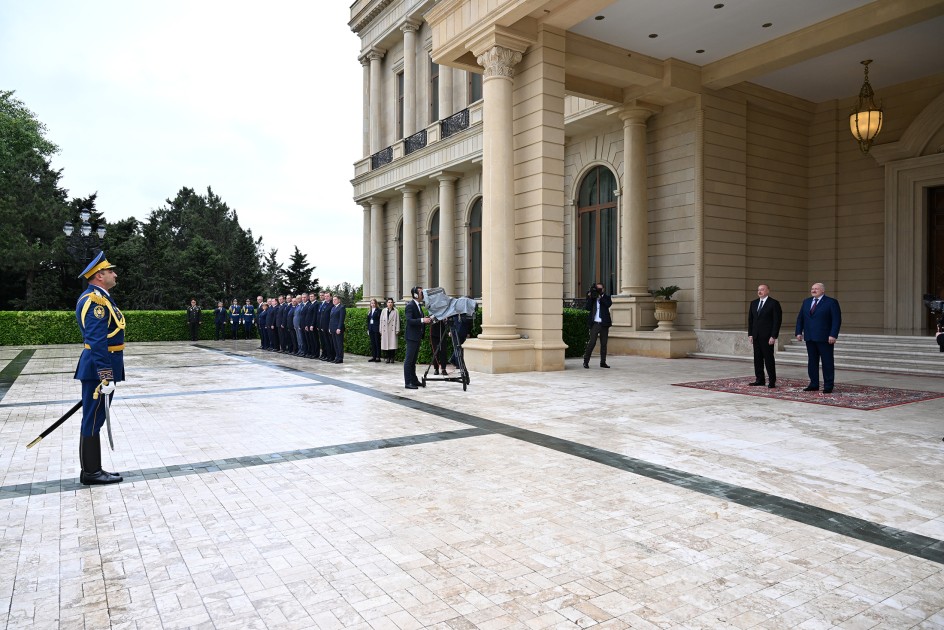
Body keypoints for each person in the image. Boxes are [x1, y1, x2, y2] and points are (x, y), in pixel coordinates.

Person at [74, 251, 124, 485]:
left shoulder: (101, 298)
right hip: (98, 369)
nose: (115, 274)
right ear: (99, 275)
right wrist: (106, 376)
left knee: (95, 417)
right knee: (93, 419)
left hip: (100, 368)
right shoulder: (95, 301)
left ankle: (93, 469)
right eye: (110, 271)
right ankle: (91, 472)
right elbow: (96, 342)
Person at [795, 282, 842, 393]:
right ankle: (814, 383)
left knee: (827, 362)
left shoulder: (831, 302)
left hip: (825, 338)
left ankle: (828, 385)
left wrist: (833, 334)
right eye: (812, 288)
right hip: (810, 337)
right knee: (812, 362)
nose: (813, 290)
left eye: (816, 288)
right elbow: (800, 318)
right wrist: (798, 332)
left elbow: (836, 320)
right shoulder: (806, 302)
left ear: (823, 290)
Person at [747, 284, 782, 388]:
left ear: (768, 291)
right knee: (757, 359)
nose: (760, 291)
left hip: (767, 337)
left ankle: (772, 380)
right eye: (758, 290)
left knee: (768, 359)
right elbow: (750, 320)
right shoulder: (753, 303)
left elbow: (777, 321)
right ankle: (759, 379)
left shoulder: (774, 303)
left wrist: (773, 336)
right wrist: (750, 334)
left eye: (762, 289)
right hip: (756, 336)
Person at [404, 286, 431, 389]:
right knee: (409, 360)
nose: (423, 294)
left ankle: (414, 380)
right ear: (415, 295)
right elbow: (409, 321)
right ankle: (408, 382)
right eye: (421, 292)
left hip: (417, 336)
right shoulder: (410, 306)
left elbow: (419, 320)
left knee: (413, 360)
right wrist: (422, 320)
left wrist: (426, 320)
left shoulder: (418, 305)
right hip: (412, 337)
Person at [583, 282, 612, 369]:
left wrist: (600, 298)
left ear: (603, 289)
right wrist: (590, 297)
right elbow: (587, 308)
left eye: (600, 289)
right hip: (595, 323)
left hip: (604, 324)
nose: (599, 291)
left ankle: (603, 362)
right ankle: (586, 361)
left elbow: (608, 304)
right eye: (597, 289)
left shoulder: (607, 297)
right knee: (592, 343)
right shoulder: (593, 298)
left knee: (604, 344)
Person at [380, 297, 400, 364]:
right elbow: (381, 321)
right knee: (386, 345)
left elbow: (397, 321)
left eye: (391, 302)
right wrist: (380, 329)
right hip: (385, 330)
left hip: (392, 330)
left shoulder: (396, 311)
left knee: (392, 345)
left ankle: (392, 358)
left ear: (393, 303)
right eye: (389, 302)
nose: (390, 303)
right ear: (387, 303)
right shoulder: (383, 311)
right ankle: (387, 358)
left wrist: (397, 329)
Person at [329, 295, 346, 363]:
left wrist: (339, 328)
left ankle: (340, 358)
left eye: (335, 299)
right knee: (335, 344)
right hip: (333, 328)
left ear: (339, 300)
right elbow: (331, 319)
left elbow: (341, 319)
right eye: (333, 300)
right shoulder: (333, 308)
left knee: (339, 344)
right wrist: (330, 328)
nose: (334, 301)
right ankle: (337, 357)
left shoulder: (341, 308)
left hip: (338, 329)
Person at [319, 291, 335, 361]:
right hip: (323, 327)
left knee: (330, 342)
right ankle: (328, 356)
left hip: (329, 327)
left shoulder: (332, 305)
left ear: (331, 297)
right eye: (325, 296)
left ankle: (332, 356)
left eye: (327, 296)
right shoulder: (324, 304)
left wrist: (329, 327)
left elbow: (331, 318)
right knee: (326, 343)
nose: (326, 298)